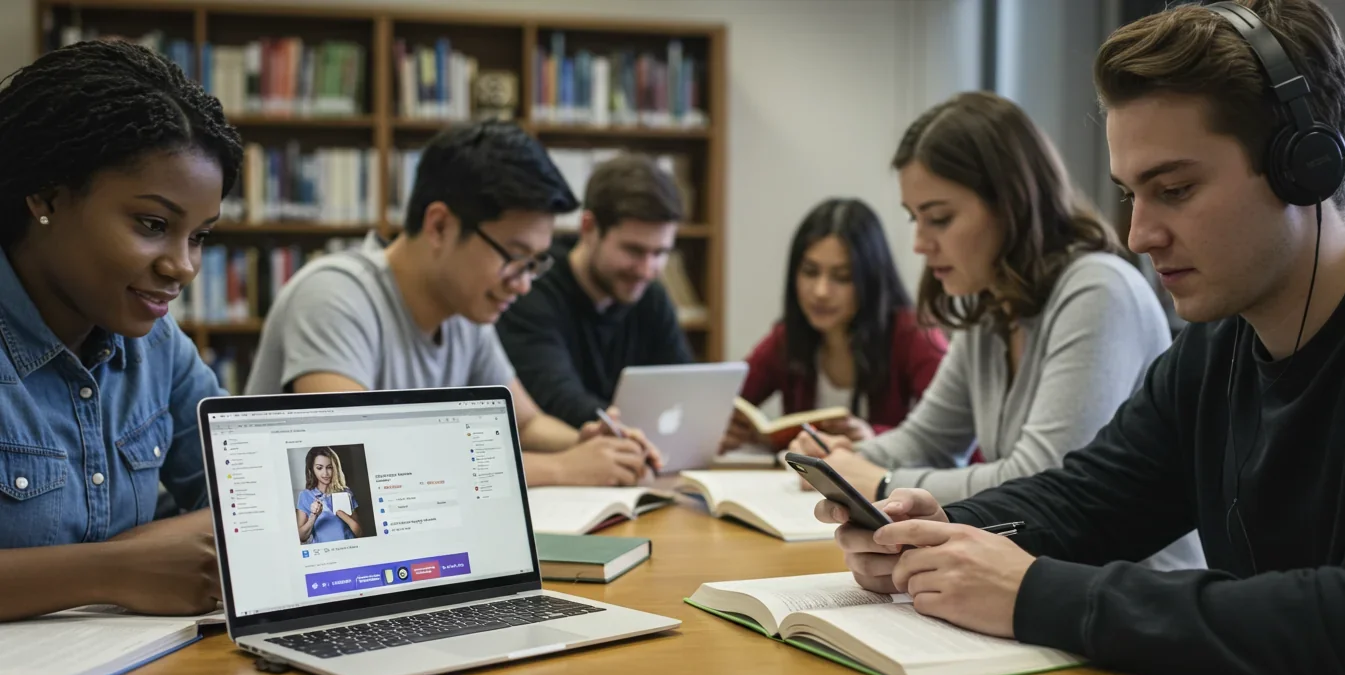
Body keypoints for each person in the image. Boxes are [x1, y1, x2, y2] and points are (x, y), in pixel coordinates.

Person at [818, 0, 1345, 675]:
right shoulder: (1215, 347)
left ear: (1305, 164)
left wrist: (1034, 593)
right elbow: (1092, 498)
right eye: (1132, 194)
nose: (1139, 233)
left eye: (1177, 189)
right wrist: (937, 533)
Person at [788, 93, 1201, 570]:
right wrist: (843, 460)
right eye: (914, 218)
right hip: (1039, 575)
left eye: (939, 218)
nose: (920, 244)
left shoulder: (1099, 289)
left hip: (1129, 595)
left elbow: (1041, 478)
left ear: (1012, 205)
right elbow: (928, 437)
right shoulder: (989, 303)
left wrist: (879, 482)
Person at [244, 122, 661, 488]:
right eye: (514, 257)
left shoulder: (465, 309)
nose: (523, 284)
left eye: (535, 263)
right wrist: (564, 468)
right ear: (440, 225)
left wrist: (592, 447)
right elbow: (355, 463)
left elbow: (527, 423)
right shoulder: (334, 297)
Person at [0, 40, 243, 621]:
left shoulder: (159, 347)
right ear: (47, 197)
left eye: (200, 236)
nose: (182, 266)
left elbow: (254, 503)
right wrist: (114, 571)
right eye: (153, 224)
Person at [722, 198, 948, 449]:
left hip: (888, 484)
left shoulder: (914, 336)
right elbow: (728, 401)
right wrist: (729, 431)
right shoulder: (787, 337)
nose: (820, 291)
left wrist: (875, 439)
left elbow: (956, 440)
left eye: (842, 277)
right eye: (809, 272)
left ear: (870, 281)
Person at [496, 153, 693, 428]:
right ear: (588, 227)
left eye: (660, 253)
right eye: (633, 250)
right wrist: (640, 429)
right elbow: (557, 402)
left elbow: (683, 388)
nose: (647, 270)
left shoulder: (651, 296)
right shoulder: (531, 288)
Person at [296, 447, 360, 543]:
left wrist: (341, 513)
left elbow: (359, 533)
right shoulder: (305, 496)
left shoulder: (345, 493)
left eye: (329, 467)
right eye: (319, 468)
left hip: (349, 549)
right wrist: (313, 516)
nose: (325, 473)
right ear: (312, 469)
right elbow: (301, 537)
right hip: (324, 553)